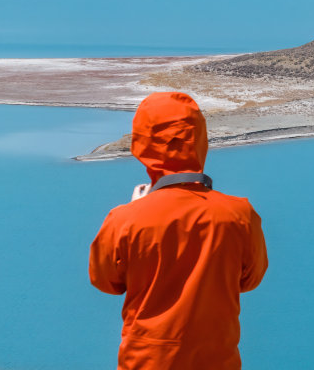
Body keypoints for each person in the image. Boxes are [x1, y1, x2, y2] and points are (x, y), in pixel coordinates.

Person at [89, 91, 268, 370]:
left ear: (142, 144)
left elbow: (105, 281)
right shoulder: (239, 214)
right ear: (199, 141)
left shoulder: (125, 218)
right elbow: (249, 280)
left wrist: (138, 209)